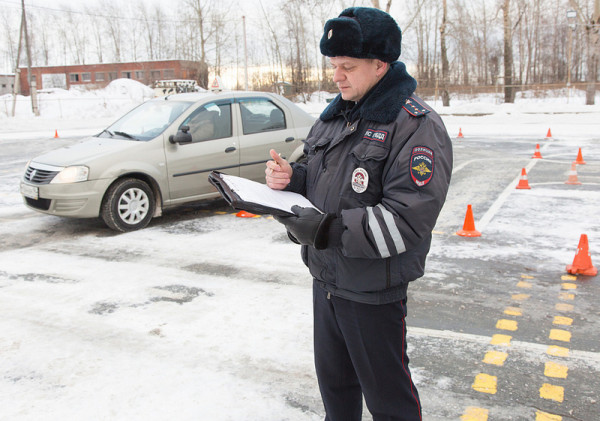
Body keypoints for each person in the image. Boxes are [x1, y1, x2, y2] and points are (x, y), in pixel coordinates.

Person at [265, 7, 453, 421]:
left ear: (380, 64)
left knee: (389, 403)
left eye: (347, 66)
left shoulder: (415, 126)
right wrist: (291, 178)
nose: (337, 76)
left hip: (372, 291)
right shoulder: (335, 117)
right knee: (336, 394)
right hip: (326, 280)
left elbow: (408, 219)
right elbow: (320, 179)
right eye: (334, 65)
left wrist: (328, 229)